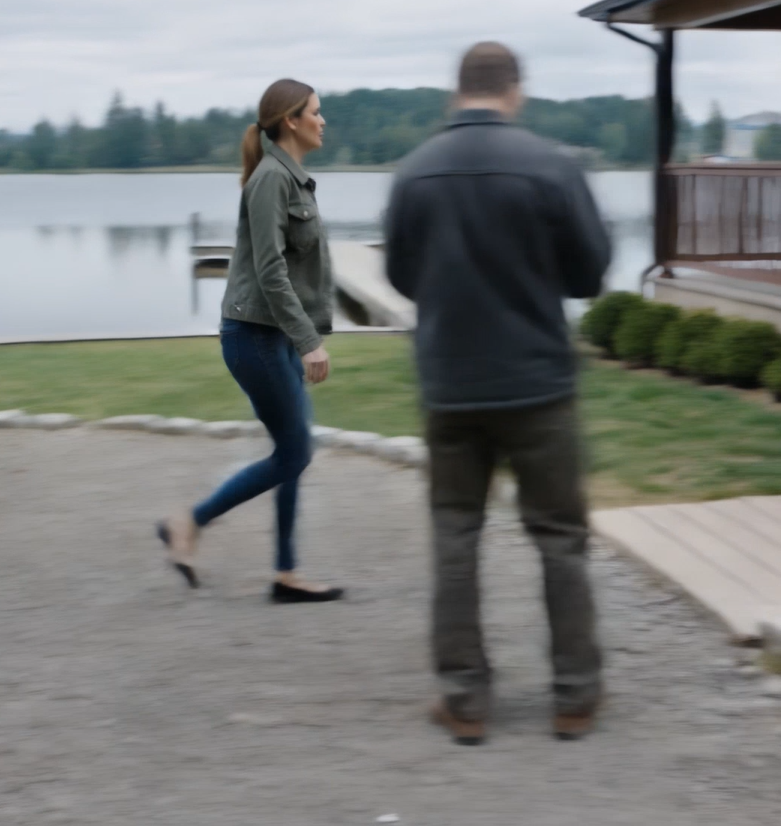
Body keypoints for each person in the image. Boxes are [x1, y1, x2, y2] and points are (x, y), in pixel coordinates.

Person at [384, 42, 611, 744]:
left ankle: (465, 700)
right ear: (514, 90)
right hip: (537, 385)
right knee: (560, 540)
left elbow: (400, 273)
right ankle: (573, 697)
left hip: (450, 385)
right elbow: (589, 274)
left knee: (455, 536)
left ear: (458, 91)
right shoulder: (552, 166)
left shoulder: (414, 173)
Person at [156, 78, 342, 604]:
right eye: (316, 112)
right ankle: (188, 523)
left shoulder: (291, 179)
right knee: (294, 453)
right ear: (291, 120)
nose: (323, 121)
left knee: (294, 450)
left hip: (273, 335)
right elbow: (269, 270)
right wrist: (309, 341)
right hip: (255, 337)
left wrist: (300, 336)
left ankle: (286, 573)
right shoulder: (270, 181)